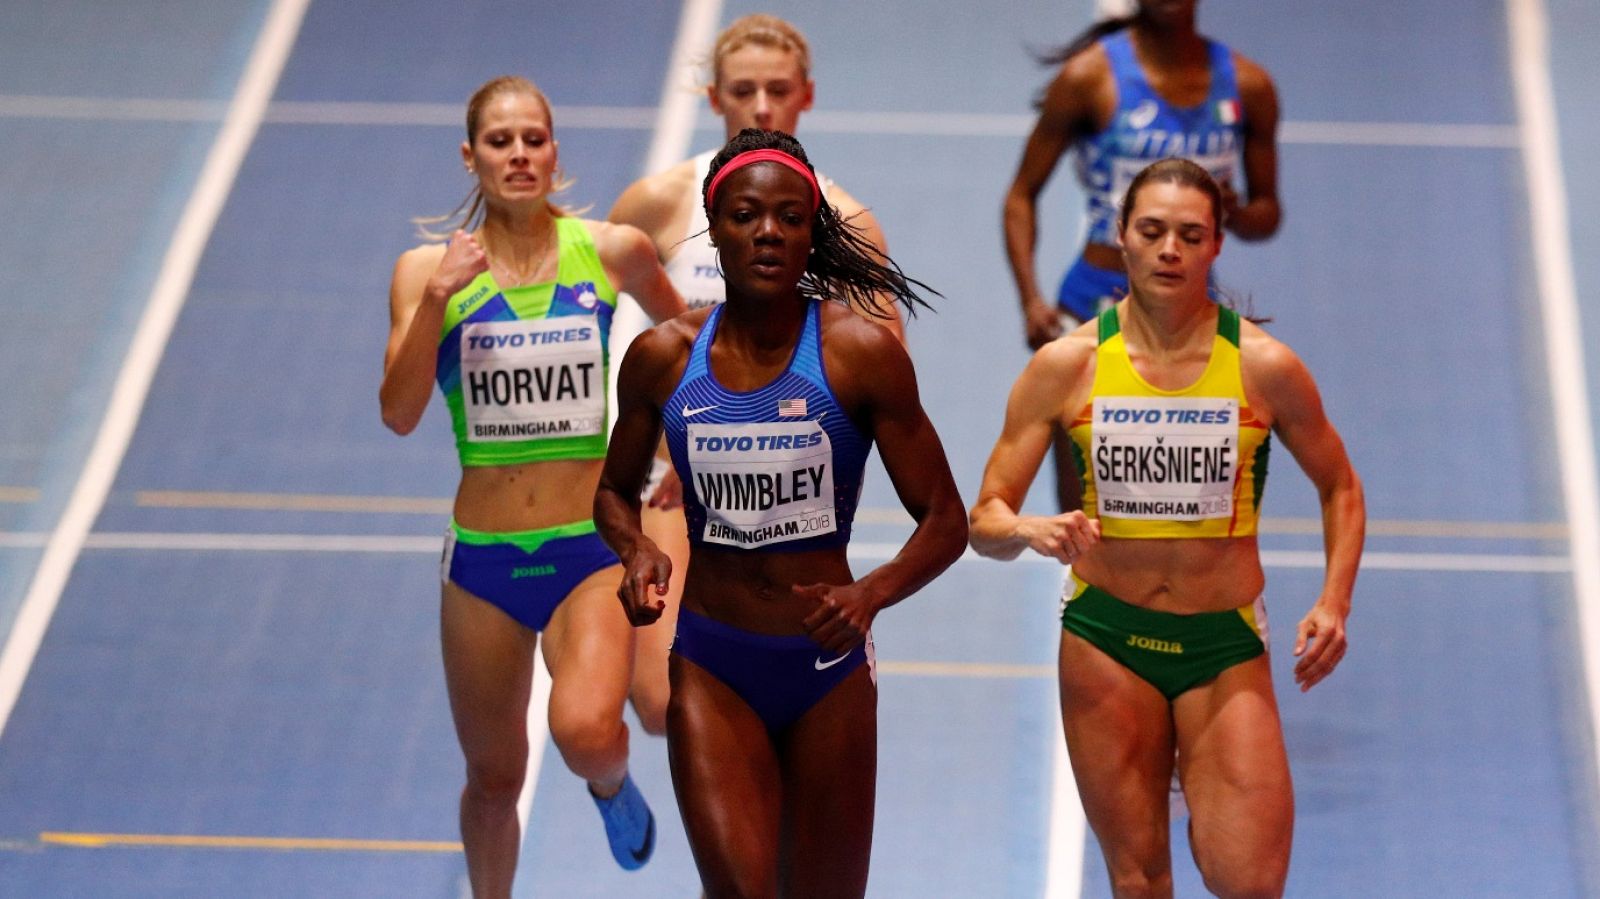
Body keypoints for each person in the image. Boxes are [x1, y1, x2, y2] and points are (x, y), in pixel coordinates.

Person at [971, 158, 1363, 897]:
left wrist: (1335, 599)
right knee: (1140, 876)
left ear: (1216, 245)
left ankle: (1202, 784)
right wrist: (1026, 528)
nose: (1169, 250)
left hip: (1222, 644)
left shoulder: (1263, 367)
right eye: (1152, 231)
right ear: (1121, 237)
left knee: (1246, 877)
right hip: (1105, 641)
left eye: (1190, 234)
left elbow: (1340, 484)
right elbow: (982, 518)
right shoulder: (1067, 366)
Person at [595, 128, 967, 898]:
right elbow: (611, 492)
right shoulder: (664, 358)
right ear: (713, 223)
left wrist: (870, 594)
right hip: (711, 663)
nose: (769, 231)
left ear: (811, 233)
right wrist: (636, 550)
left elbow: (944, 519)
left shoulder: (858, 353)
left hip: (826, 671)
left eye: (791, 218)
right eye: (746, 215)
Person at [379, 75, 685, 897]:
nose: (519, 155)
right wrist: (441, 296)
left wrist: (684, 458)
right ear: (470, 156)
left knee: (587, 731)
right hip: (481, 558)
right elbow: (399, 413)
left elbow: (692, 342)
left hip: (589, 547)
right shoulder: (422, 272)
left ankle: (610, 781)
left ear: (555, 152)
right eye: (500, 141)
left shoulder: (610, 250)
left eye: (533, 140)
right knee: (492, 778)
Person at [606, 13, 904, 737]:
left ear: (806, 95)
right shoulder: (661, 201)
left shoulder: (843, 219)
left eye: (777, 89)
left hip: (786, 471)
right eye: (745, 90)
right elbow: (608, 306)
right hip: (678, 465)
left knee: (778, 671)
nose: (762, 107)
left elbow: (885, 359)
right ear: (715, 97)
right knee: (655, 700)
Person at [1002, 0, 1282, 511]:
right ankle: (1080, 587)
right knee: (1081, 499)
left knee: (1185, 492)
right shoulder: (1089, 78)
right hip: (1092, 302)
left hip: (1192, 318)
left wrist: (1237, 213)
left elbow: (1268, 213)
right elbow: (1021, 194)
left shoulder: (1249, 85)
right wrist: (1030, 299)